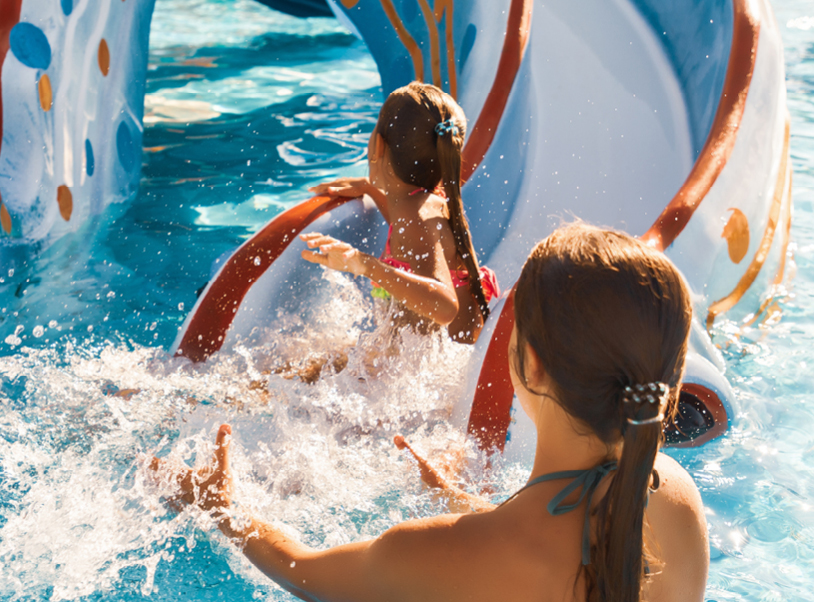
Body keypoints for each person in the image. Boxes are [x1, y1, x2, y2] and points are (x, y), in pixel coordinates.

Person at [151, 224, 709, 602]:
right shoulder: (678, 501)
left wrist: (225, 509)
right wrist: (471, 509)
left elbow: (305, 571)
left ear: (530, 367)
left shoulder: (433, 553)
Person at [300, 82, 499, 346]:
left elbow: (445, 307)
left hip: (426, 378)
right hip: (434, 366)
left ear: (378, 145)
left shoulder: (416, 216)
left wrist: (365, 264)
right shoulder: (424, 205)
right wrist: (369, 188)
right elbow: (407, 232)